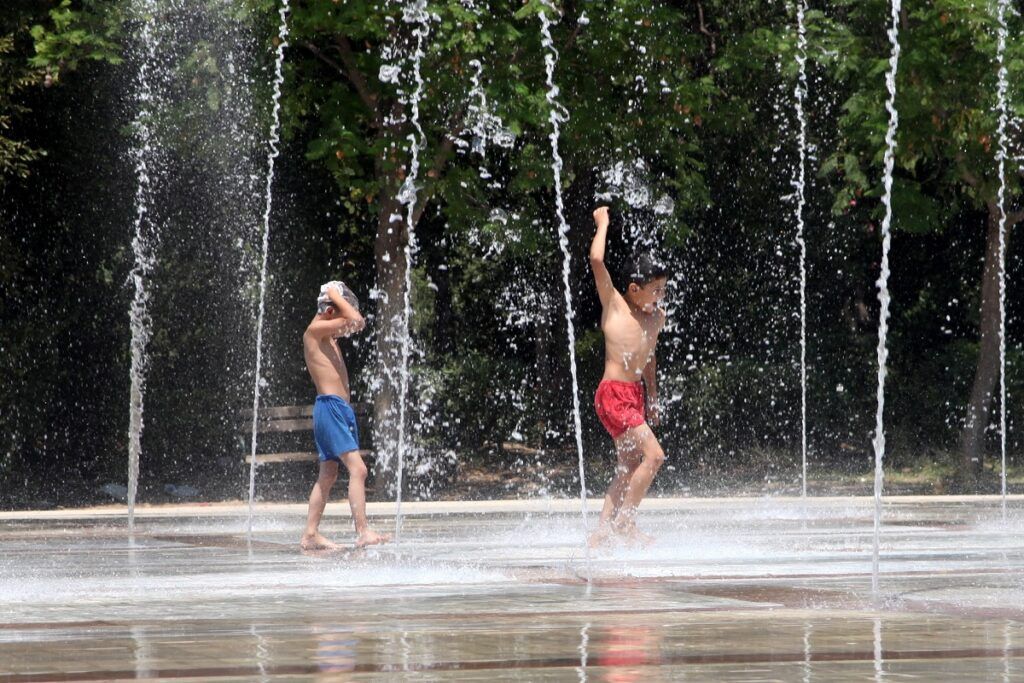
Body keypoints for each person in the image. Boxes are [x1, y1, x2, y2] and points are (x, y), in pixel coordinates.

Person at [588, 206, 669, 546]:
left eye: (663, 290)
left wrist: (652, 397)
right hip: (613, 393)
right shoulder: (616, 305)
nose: (660, 297)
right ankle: (626, 523)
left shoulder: (657, 318)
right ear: (634, 289)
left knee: (628, 465)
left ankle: (601, 533)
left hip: (633, 395)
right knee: (655, 456)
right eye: (655, 290)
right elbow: (596, 261)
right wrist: (602, 223)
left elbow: (648, 358)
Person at [300, 280, 389, 550]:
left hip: (337, 410)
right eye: (339, 311)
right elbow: (358, 322)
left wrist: (337, 300)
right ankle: (362, 531)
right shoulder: (315, 331)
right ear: (329, 311)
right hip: (330, 408)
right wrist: (334, 295)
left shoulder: (327, 335)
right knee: (358, 469)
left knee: (328, 474)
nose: (343, 320)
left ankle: (310, 534)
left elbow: (352, 321)